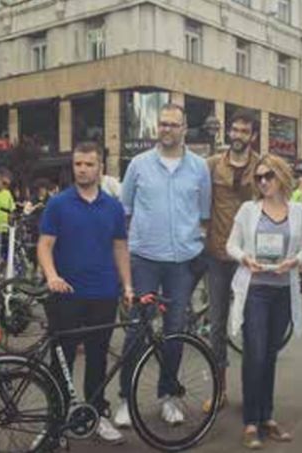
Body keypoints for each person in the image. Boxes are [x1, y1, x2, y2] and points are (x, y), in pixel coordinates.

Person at [114, 103, 212, 428]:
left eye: (173, 124)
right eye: (162, 123)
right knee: (136, 331)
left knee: (175, 332)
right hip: (144, 259)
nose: (166, 129)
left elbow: (204, 215)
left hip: (182, 264)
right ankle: (126, 399)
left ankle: (169, 395)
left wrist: (196, 247)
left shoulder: (199, 168)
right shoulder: (138, 165)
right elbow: (125, 211)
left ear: (184, 129)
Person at [38, 141, 132, 444]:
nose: (82, 169)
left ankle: (96, 414)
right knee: (61, 359)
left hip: (103, 293)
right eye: (78, 164)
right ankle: (55, 422)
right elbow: (45, 245)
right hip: (66, 293)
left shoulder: (113, 207)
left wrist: (127, 285)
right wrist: (52, 275)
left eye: (89, 164)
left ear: (100, 167)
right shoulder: (58, 204)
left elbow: (120, 247)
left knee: (97, 357)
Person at [226, 154, 302, 449]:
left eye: (268, 176)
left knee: (270, 354)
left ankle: (267, 417)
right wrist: (245, 258)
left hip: (283, 291)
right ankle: (251, 422)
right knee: (255, 354)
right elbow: (231, 245)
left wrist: (294, 261)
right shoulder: (248, 210)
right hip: (255, 290)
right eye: (259, 177)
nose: (263, 182)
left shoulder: (299, 212)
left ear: (281, 176)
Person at [203, 108, 260, 412]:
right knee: (217, 326)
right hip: (218, 255)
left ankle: (252, 392)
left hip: (249, 258)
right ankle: (219, 390)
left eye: (244, 131)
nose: (238, 135)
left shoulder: (262, 166)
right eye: (234, 130)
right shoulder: (212, 165)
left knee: (252, 325)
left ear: (253, 136)